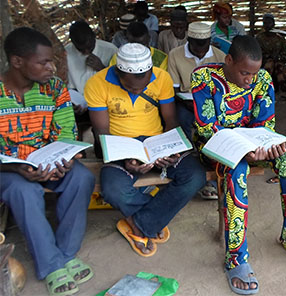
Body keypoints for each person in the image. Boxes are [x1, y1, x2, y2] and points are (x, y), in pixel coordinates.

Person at [191, 35, 286, 295]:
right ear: (228, 60)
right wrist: (244, 151)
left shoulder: (261, 79)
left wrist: (263, 145)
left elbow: (265, 123)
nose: (250, 79)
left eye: (254, 73)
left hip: (251, 145)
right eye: (243, 73)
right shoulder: (203, 77)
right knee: (236, 169)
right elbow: (207, 128)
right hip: (215, 145)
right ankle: (236, 257)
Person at [85, 43, 206, 257]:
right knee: (113, 189)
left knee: (195, 176)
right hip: (120, 145)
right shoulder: (97, 84)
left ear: (151, 72)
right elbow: (102, 133)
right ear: (118, 74)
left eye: (144, 85)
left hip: (156, 141)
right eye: (132, 88)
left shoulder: (161, 77)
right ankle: (151, 220)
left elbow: (170, 120)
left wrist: (170, 150)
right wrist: (126, 160)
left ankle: (138, 223)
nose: (139, 90)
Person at [0, 27, 95, 296]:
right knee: (24, 189)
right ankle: (51, 265)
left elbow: (66, 132)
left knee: (81, 177)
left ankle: (65, 254)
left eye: (52, 61)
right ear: (17, 62)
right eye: (43, 62)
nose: (52, 68)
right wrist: (16, 167)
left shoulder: (54, 88)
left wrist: (61, 159)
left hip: (47, 161)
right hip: (7, 168)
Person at [168, 22, 225, 200]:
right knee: (181, 120)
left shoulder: (220, 56)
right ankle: (184, 166)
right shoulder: (175, 55)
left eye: (204, 46)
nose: (201, 52)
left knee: (216, 128)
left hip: (212, 104)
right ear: (189, 40)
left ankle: (213, 177)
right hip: (185, 103)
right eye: (196, 47)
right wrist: (187, 102)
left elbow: (224, 90)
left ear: (210, 41)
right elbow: (174, 89)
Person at [65, 21, 118, 134]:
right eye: (80, 49)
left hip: (106, 102)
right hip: (81, 104)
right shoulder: (67, 53)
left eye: (88, 47)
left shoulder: (110, 50)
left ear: (93, 36)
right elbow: (68, 85)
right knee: (68, 122)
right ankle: (79, 150)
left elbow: (120, 82)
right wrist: (74, 103)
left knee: (104, 132)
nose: (85, 52)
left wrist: (102, 68)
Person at [255, 13, 286, 94]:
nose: (267, 25)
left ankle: (283, 91)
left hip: (278, 61)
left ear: (273, 24)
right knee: (269, 66)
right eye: (265, 23)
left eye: (269, 23)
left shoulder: (280, 38)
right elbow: (257, 54)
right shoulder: (259, 38)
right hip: (264, 62)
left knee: (279, 67)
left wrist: (279, 57)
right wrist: (268, 57)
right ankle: (265, 90)